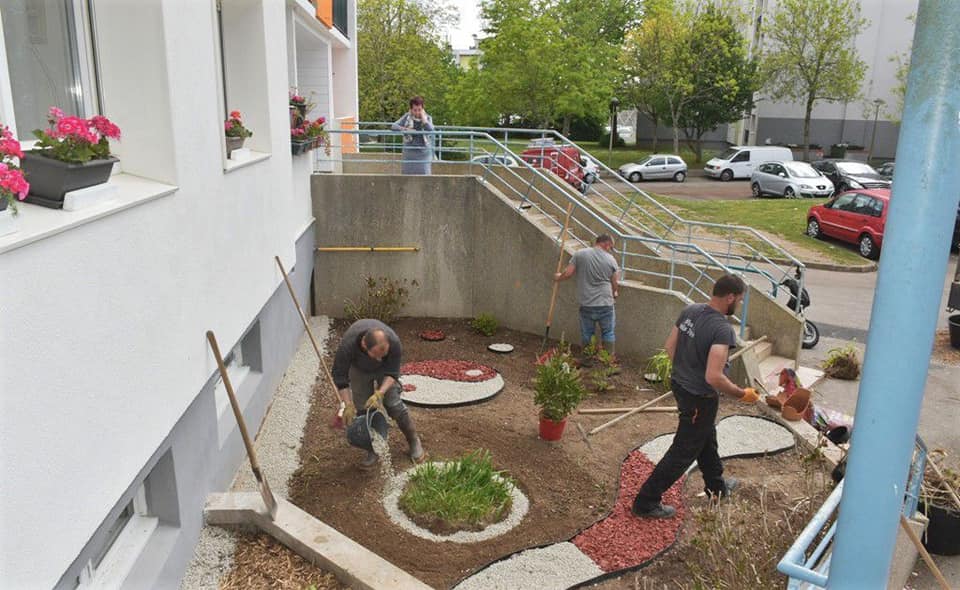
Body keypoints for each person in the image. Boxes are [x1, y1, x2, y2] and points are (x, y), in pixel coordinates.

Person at [631, 274, 759, 518]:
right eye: (739, 300)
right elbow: (714, 376)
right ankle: (645, 502)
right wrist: (742, 394)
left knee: (705, 438)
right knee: (684, 450)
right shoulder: (722, 329)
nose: (739, 306)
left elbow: (670, 348)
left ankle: (716, 487)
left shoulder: (690, 311)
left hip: (681, 385)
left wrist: (686, 371)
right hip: (700, 397)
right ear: (730, 297)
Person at [332, 319, 425, 467]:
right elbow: (340, 378)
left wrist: (380, 393)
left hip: (385, 372)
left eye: (383, 354)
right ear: (364, 344)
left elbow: (392, 372)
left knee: (393, 404)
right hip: (359, 369)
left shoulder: (392, 341)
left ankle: (414, 441)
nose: (379, 359)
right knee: (364, 408)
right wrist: (348, 404)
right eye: (375, 355)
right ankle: (372, 447)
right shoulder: (347, 347)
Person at [554, 234, 620, 362]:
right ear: (606, 244)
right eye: (610, 247)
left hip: (587, 303)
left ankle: (587, 360)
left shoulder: (580, 254)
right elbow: (614, 282)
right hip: (606, 303)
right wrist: (615, 292)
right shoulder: (611, 259)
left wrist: (558, 277)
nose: (610, 250)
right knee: (608, 332)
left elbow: (568, 273)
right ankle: (608, 361)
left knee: (587, 333)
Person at [391, 96, 434, 175]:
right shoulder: (407, 117)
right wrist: (406, 130)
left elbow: (431, 130)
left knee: (425, 179)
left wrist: (424, 120)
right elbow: (393, 126)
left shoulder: (428, 118)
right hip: (409, 154)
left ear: (423, 109)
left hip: (423, 155)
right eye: (415, 110)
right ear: (411, 109)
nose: (417, 112)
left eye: (419, 110)